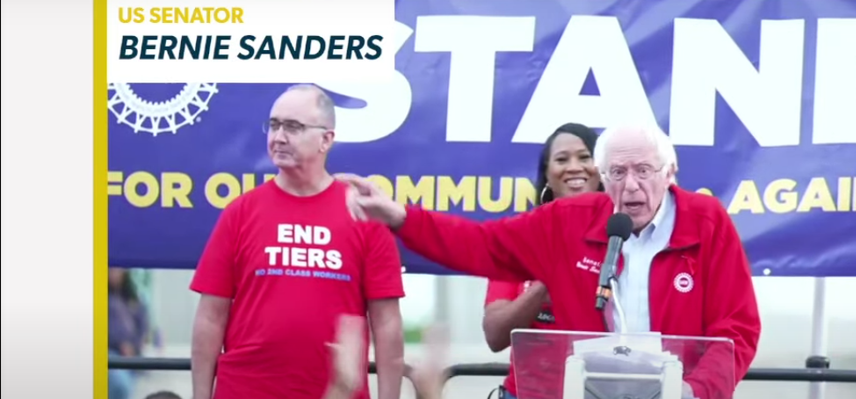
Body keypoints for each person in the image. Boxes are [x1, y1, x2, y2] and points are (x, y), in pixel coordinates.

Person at [341, 125, 760, 399]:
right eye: (617, 173)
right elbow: (479, 244)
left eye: (644, 170)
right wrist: (399, 217)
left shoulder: (706, 223)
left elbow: (736, 329)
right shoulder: (568, 221)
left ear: (670, 172)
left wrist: (695, 392)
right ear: (603, 176)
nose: (630, 186)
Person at [190, 84, 407, 399]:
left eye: (292, 127)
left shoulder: (365, 216)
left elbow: (387, 324)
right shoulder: (241, 212)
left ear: (326, 139)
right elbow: (211, 315)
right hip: (245, 390)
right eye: (274, 125)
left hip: (334, 392)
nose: (278, 137)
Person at [481, 123, 603, 399]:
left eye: (585, 157)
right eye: (562, 159)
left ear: (602, 169)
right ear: (547, 174)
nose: (574, 167)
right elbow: (495, 335)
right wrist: (548, 280)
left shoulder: (626, 237)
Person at [109, 267, 149, 399]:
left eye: (118, 269)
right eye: (110, 269)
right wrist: (119, 343)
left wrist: (135, 346)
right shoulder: (101, 298)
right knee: (121, 386)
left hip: (132, 357)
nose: (114, 272)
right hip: (110, 353)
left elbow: (143, 326)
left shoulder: (134, 298)